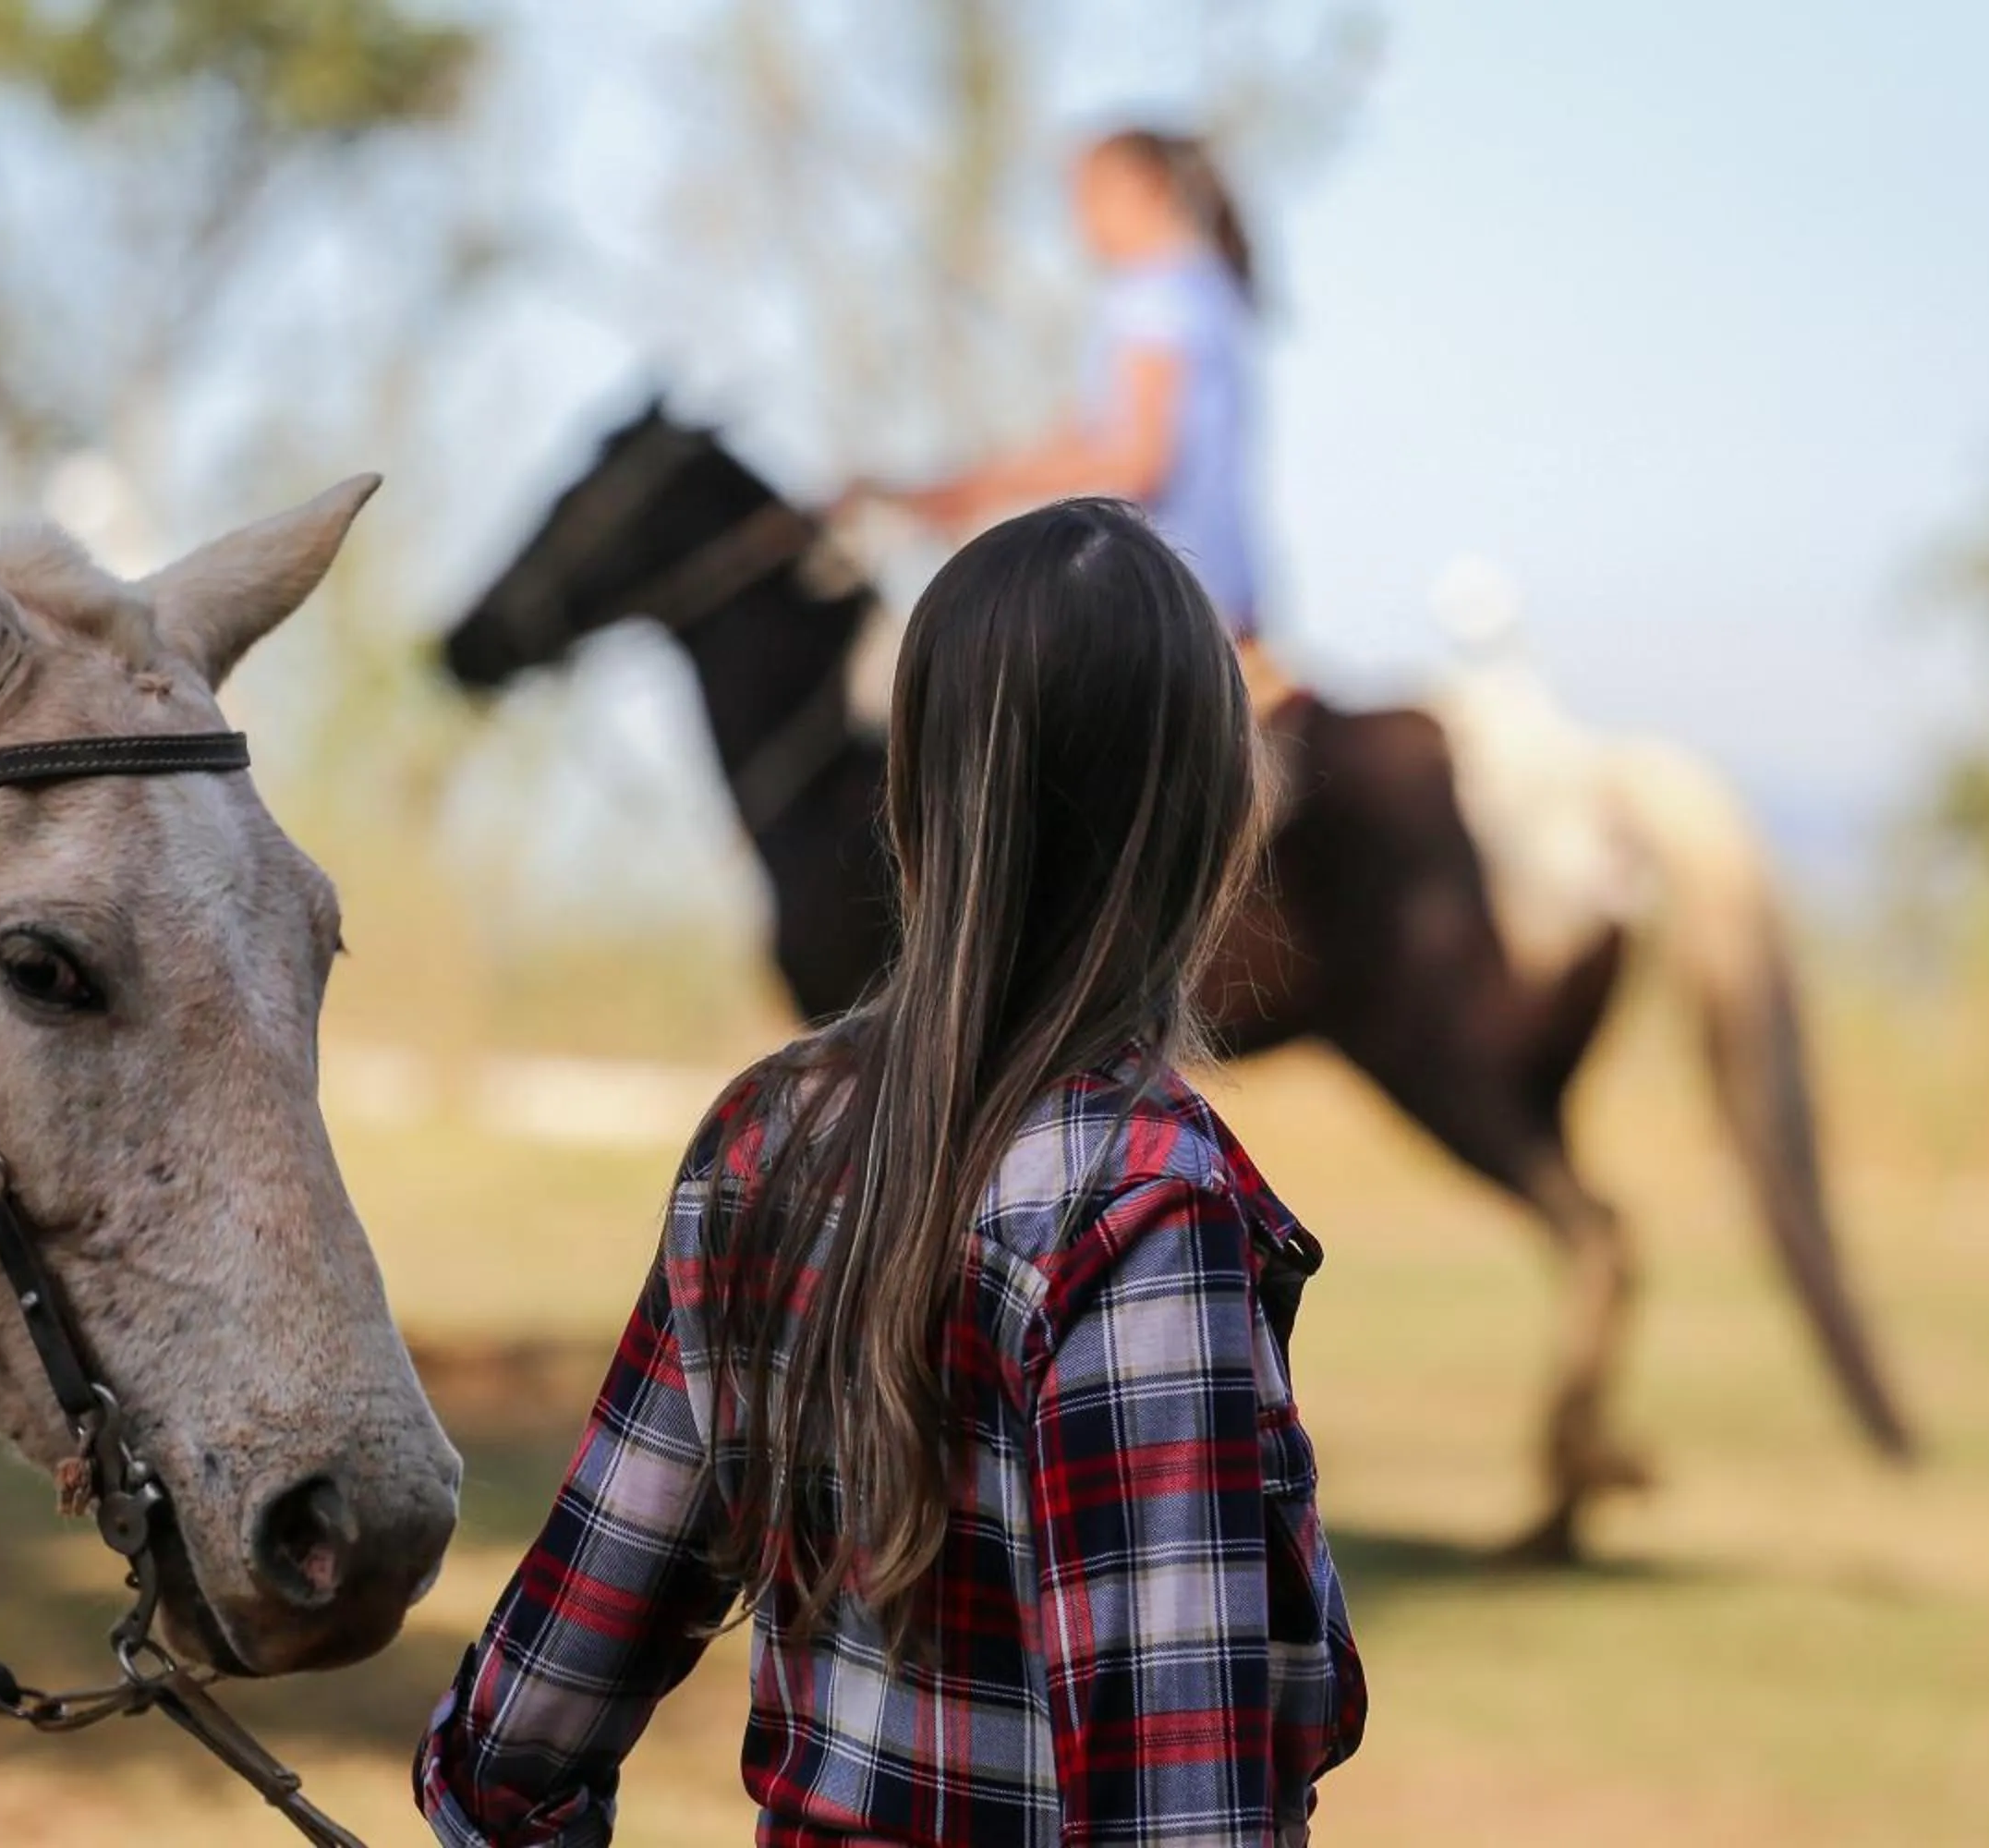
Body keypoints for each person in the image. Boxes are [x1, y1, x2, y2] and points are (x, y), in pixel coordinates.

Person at [414, 500, 1364, 1845]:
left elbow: (520, 1737)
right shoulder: (1148, 1206)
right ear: (1214, 816)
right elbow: (1181, 1815)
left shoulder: (766, 1139)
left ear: (911, 792)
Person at [869, 128, 1286, 703]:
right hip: (1221, 594)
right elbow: (1078, 441)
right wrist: (961, 491)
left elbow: (1137, 462)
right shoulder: (1195, 287)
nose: (1079, 221)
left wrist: (965, 495)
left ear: (1147, 188)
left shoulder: (1153, 295)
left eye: (1089, 197)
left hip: (1162, 603)